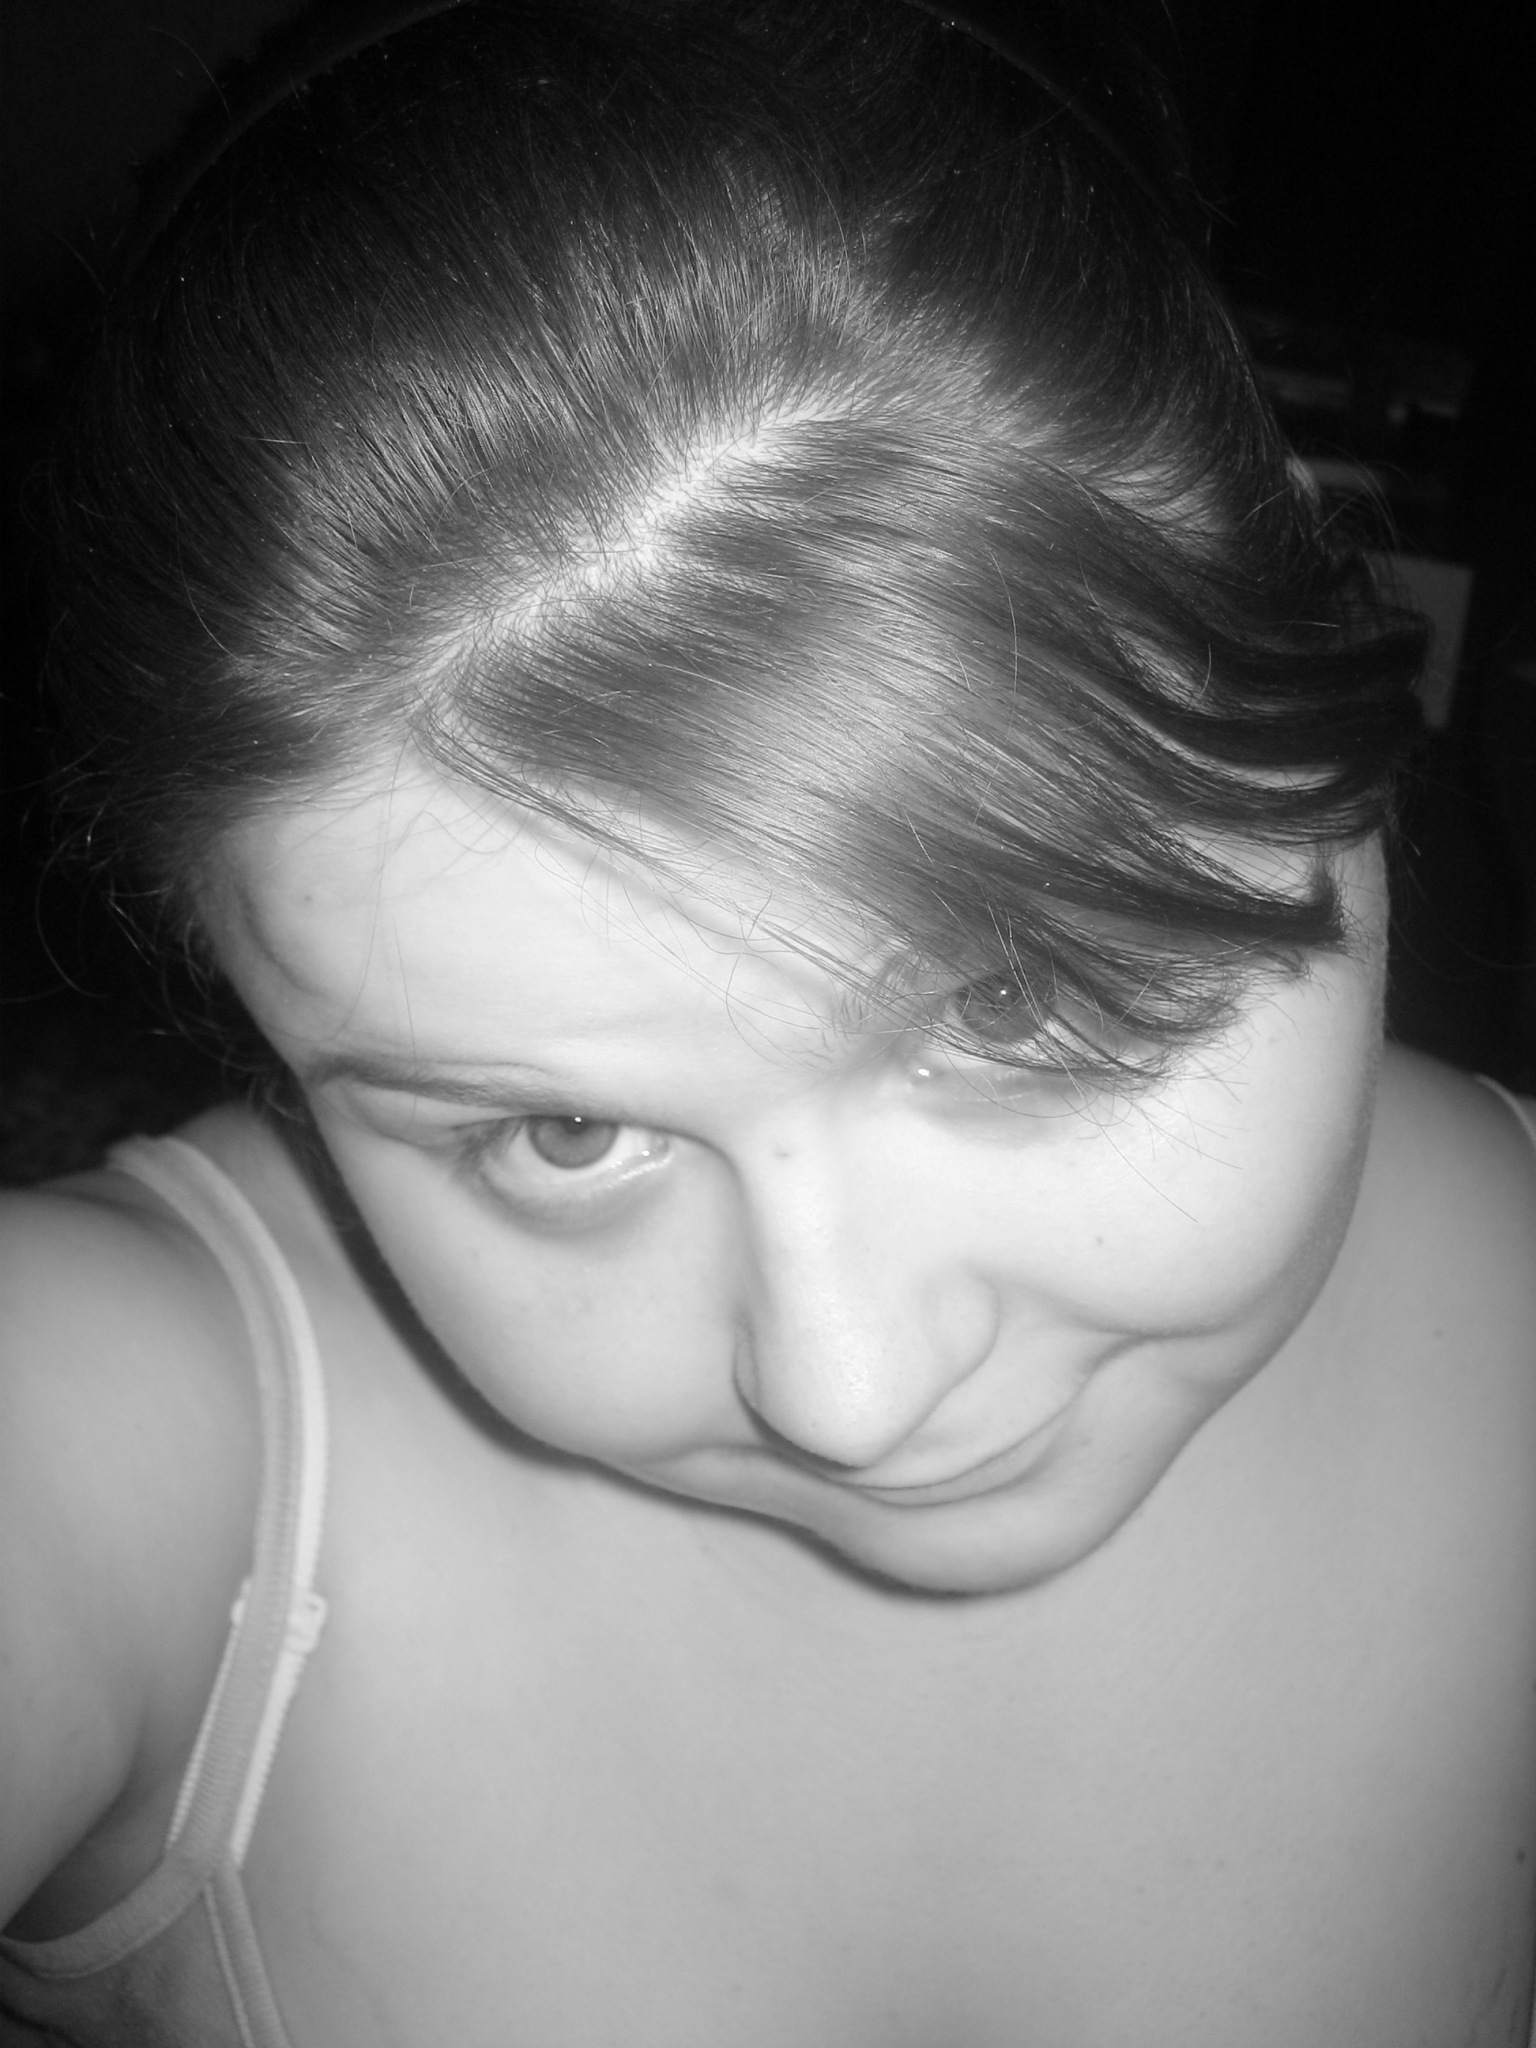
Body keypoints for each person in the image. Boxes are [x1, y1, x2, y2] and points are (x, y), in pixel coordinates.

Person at [1, 1, 1532, 2041]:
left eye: (1013, 997)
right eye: (558, 1136)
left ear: (1346, 674)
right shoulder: (104, 1423)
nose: (848, 1391)